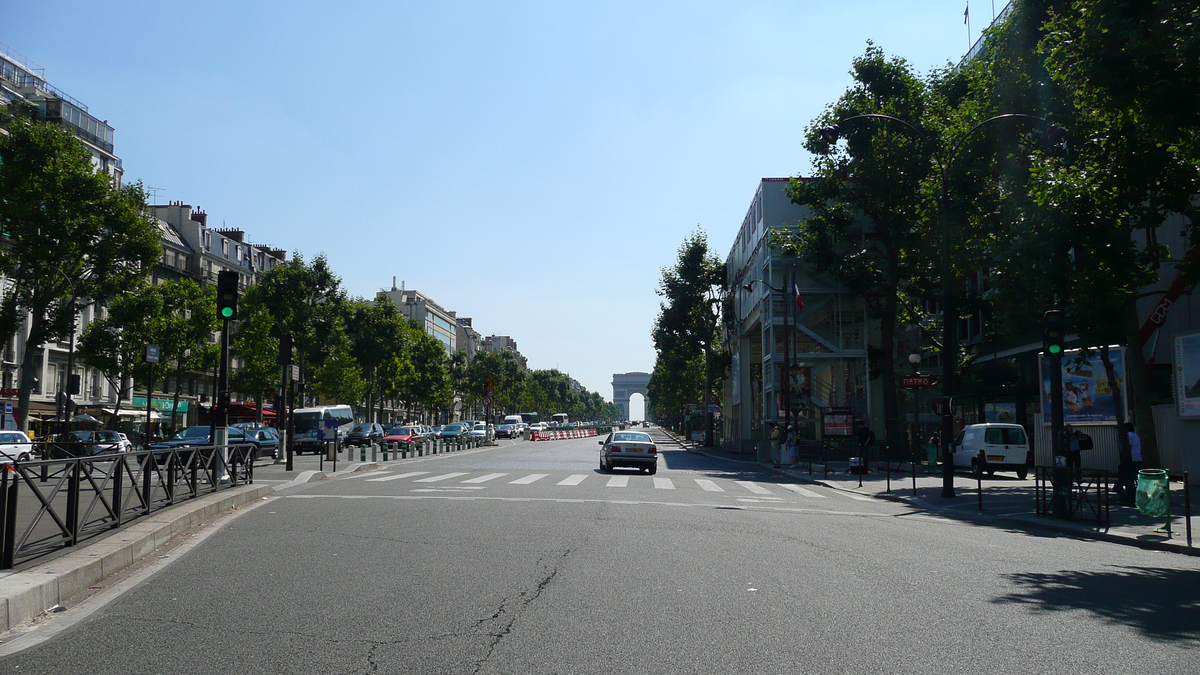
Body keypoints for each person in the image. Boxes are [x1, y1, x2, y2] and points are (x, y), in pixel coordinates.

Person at [1117, 422, 1143, 503]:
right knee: (1135, 475)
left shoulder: (1128, 436)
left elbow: (1127, 447)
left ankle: (1118, 487)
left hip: (1130, 458)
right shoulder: (1136, 436)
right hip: (1137, 458)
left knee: (1125, 474)